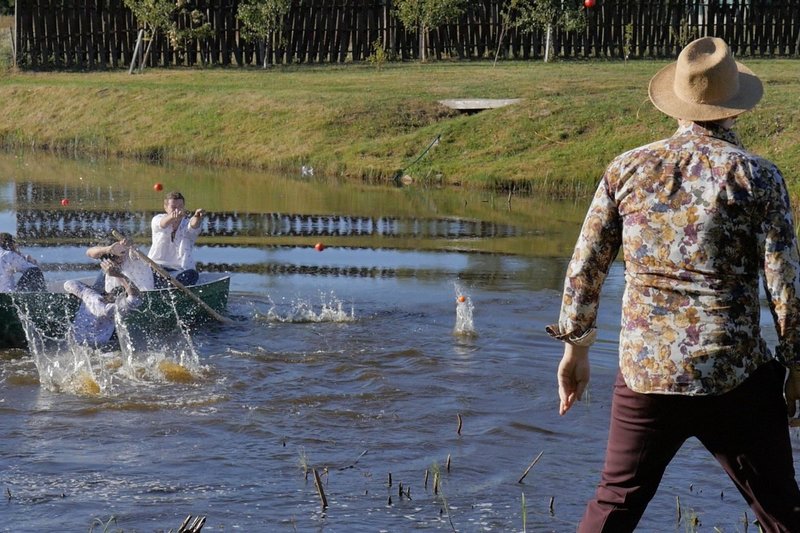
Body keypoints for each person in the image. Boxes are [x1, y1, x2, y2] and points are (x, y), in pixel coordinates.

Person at [547, 36, 800, 531]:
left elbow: (585, 266)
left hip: (646, 374)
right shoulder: (759, 177)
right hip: (734, 375)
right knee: (783, 513)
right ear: (736, 108)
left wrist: (575, 349)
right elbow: (785, 286)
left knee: (614, 504)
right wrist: (796, 365)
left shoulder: (627, 169)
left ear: (676, 104)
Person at [64, 259, 141, 350]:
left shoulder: (90, 297)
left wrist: (90, 291)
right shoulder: (114, 310)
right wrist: (119, 276)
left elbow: (68, 284)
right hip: (99, 346)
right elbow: (135, 298)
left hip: (78, 344)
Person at [148, 191, 204, 288]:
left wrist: (197, 217)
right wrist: (172, 217)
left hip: (181, 270)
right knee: (150, 274)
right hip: (156, 267)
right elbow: (163, 224)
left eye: (180, 207)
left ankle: (173, 288)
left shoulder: (187, 223)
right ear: (165, 208)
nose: (177, 210)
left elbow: (194, 226)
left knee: (192, 275)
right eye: (173, 207)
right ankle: (167, 287)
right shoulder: (157, 219)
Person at [86, 236, 155, 293]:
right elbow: (89, 252)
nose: (118, 260)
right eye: (112, 257)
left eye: (119, 256)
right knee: (104, 270)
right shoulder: (108, 258)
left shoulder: (131, 254)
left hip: (143, 293)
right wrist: (108, 249)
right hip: (119, 295)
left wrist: (129, 244)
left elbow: (132, 246)